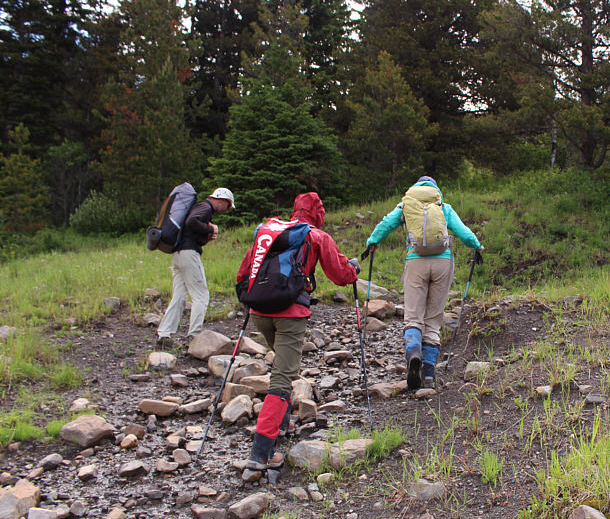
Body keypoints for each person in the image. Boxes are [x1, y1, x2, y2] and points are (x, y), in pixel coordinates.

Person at [239, 192, 360, 474]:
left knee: (280, 368)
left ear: (294, 210)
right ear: (318, 213)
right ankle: (261, 453)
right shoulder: (315, 235)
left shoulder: (269, 231)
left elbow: (243, 273)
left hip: (259, 313)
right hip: (290, 314)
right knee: (282, 379)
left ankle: (281, 424)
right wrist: (353, 268)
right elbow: (341, 275)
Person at [366, 176, 482, 390]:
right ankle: (428, 374)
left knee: (413, 315)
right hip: (443, 262)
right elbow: (462, 230)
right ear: (435, 190)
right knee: (433, 318)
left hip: (416, 261)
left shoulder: (406, 205)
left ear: (416, 188)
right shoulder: (443, 207)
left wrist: (372, 242)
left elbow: (386, 223)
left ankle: (413, 353)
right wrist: (477, 246)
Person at [156, 187, 235, 348]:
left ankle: (164, 335)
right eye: (228, 206)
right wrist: (210, 228)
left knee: (179, 296)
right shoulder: (206, 207)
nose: (226, 211)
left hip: (178, 254)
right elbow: (192, 222)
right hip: (189, 254)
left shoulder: (199, 207)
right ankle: (194, 336)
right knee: (201, 295)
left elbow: (190, 225)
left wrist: (205, 234)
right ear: (222, 200)